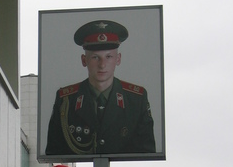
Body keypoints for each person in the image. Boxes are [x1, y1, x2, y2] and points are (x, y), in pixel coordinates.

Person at [45, 20, 156, 156]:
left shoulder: (136, 99)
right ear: (84, 60)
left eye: (108, 57)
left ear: (118, 59)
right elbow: (54, 151)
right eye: (95, 57)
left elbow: (146, 151)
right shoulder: (66, 100)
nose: (102, 65)